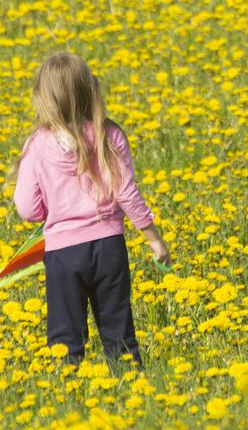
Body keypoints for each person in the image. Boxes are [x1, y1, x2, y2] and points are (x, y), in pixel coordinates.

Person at [10, 52, 171, 367]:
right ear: (90, 90)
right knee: (118, 329)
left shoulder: (37, 144)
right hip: (109, 246)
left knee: (65, 336)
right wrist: (153, 238)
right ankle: (130, 387)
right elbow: (125, 191)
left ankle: (70, 393)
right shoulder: (108, 134)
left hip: (63, 254)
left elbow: (27, 208)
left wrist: (50, 213)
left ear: (43, 98)